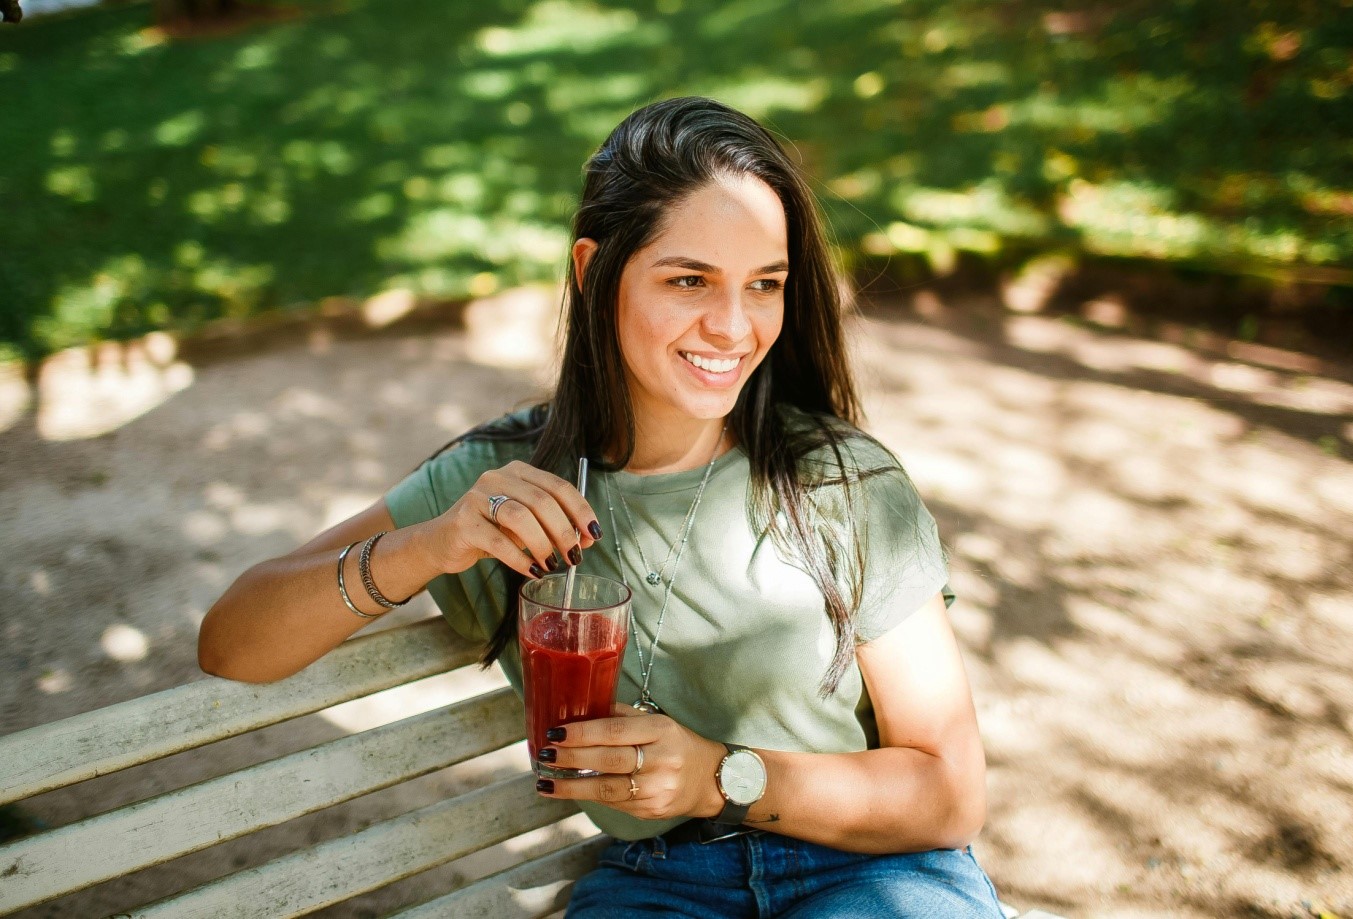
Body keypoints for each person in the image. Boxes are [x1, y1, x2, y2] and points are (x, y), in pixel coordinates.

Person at [199, 96, 1003, 918]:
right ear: (593, 271)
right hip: (656, 885)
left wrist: (717, 774)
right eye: (689, 279)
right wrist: (427, 546)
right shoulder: (496, 482)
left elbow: (946, 792)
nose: (732, 327)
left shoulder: (839, 480)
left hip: (865, 873)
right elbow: (233, 643)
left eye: (764, 285)